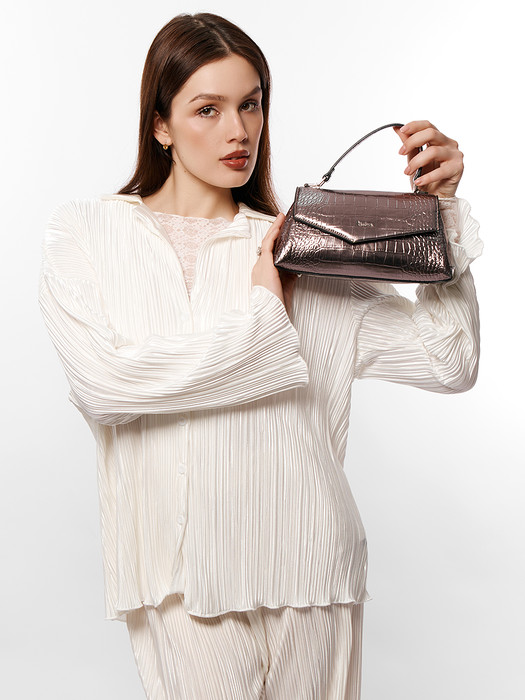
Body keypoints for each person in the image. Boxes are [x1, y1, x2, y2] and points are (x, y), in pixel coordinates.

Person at [38, 11, 482, 700]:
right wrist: (262, 320)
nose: (239, 130)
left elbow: (448, 362)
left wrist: (441, 218)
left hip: (310, 566)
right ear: (160, 125)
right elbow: (107, 385)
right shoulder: (88, 235)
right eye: (207, 109)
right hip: (175, 579)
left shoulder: (299, 244)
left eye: (250, 104)